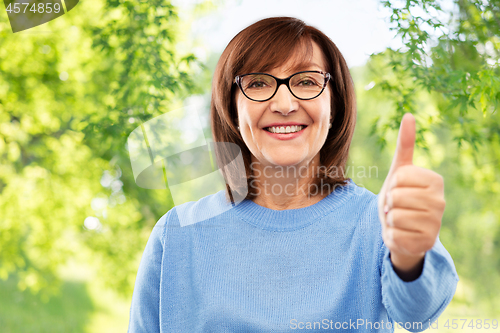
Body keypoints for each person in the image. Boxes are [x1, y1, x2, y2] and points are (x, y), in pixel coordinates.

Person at [128, 17, 458, 332]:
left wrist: (409, 255)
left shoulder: (379, 221)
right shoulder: (175, 235)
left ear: (334, 108)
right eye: (258, 83)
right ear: (232, 109)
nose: (284, 103)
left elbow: (419, 314)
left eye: (306, 81)